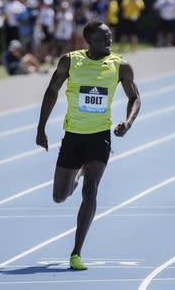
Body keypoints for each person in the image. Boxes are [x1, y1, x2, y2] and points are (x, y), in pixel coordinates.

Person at [36, 20, 141, 270]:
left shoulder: (120, 66)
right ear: (89, 41)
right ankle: (79, 171)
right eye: (104, 38)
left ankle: (76, 252)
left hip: (100, 136)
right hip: (73, 136)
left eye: (110, 37)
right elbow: (51, 92)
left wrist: (128, 122)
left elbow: (135, 97)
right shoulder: (69, 61)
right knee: (59, 196)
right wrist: (40, 128)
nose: (109, 41)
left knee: (91, 190)